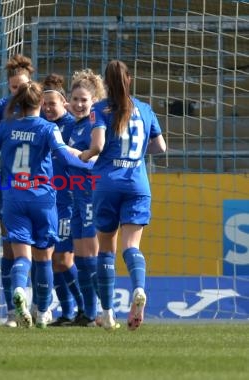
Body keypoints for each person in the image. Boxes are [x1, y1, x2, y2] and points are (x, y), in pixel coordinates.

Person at [0, 81, 93, 328]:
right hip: (42, 198)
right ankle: (42, 312)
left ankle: (19, 289)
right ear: (40, 103)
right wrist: (93, 166)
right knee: (44, 257)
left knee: (22, 256)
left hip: (12, 199)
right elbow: (65, 157)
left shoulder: (6, 126)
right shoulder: (47, 128)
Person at [79, 60, 166, 330]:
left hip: (107, 183)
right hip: (137, 184)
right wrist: (136, 154)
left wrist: (83, 155)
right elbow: (161, 147)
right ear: (129, 80)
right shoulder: (145, 108)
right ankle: (138, 289)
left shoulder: (99, 109)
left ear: (106, 83)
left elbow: (99, 145)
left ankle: (106, 314)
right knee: (132, 246)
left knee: (106, 247)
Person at [0, 54, 34, 327]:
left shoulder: (40, 107)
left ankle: (38, 305)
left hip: (40, 189)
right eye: (14, 87)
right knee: (11, 247)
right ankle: (13, 311)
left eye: (23, 86)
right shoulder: (1, 109)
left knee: (38, 249)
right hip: (8, 186)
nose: (19, 92)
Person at [40, 73, 85, 326]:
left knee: (63, 258)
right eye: (44, 104)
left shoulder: (72, 126)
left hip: (67, 201)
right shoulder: (41, 126)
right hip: (48, 202)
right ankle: (68, 312)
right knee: (53, 259)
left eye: (52, 104)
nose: (47, 108)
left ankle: (85, 308)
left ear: (63, 102)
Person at [67, 68, 106, 327]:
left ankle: (100, 311)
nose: (79, 104)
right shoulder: (74, 126)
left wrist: (69, 151)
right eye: (76, 99)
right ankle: (87, 312)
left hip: (91, 194)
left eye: (84, 100)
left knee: (90, 257)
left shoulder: (94, 125)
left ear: (93, 101)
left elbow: (96, 160)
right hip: (75, 196)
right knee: (80, 258)